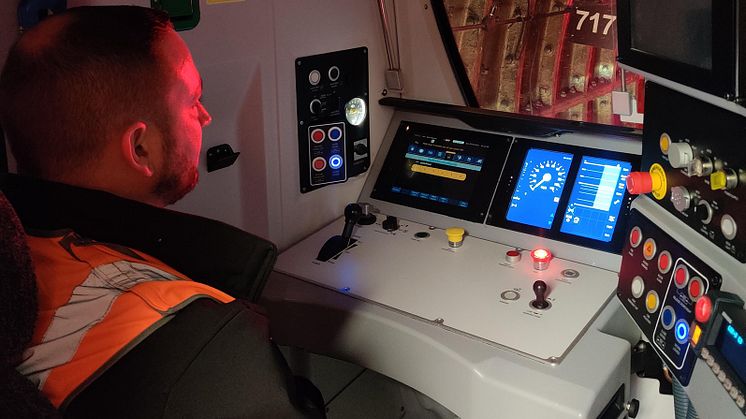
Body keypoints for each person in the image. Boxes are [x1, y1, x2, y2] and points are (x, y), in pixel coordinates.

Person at [0, 6, 324, 418]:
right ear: (139, 148)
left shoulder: (19, 249)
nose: (205, 116)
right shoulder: (202, 351)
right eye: (192, 100)